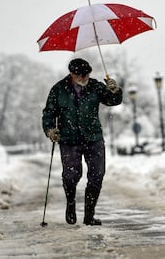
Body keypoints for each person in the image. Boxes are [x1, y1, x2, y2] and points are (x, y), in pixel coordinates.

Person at [42, 58, 122, 226]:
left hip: (93, 138)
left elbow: (113, 101)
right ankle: (70, 203)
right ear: (72, 74)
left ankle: (89, 215)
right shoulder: (58, 90)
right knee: (72, 175)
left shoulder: (95, 86)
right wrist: (50, 130)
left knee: (97, 175)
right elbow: (49, 113)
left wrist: (114, 90)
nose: (85, 77)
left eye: (87, 74)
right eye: (81, 75)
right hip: (69, 139)